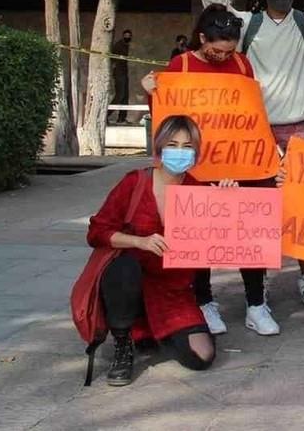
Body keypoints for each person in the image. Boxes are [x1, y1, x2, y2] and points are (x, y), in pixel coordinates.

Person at [204, 0, 304, 310]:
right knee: (256, 213)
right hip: (256, 134)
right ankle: (258, 296)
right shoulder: (247, 24)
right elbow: (216, 8)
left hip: (303, 129)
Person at [141, 5, 280, 337]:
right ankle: (203, 302)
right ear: (201, 38)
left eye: (229, 50)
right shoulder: (181, 65)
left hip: (243, 163)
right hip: (200, 167)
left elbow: (252, 113)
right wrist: (149, 94)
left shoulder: (243, 64)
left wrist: (266, 146)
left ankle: (256, 304)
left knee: (251, 231)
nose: (223, 56)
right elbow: (167, 118)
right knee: (199, 234)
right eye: (217, 50)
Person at [86, 115, 215, 385]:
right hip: (129, 280)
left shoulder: (199, 190)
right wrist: (139, 241)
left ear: (197, 152)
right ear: (158, 147)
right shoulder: (134, 183)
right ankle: (123, 341)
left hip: (173, 290)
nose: (180, 152)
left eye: (187, 146)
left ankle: (155, 331)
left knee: (201, 356)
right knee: (124, 268)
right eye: (173, 144)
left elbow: (222, 237)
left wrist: (231, 197)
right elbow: (97, 232)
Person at [110, 29, 133, 124]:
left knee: (125, 96)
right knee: (120, 95)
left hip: (124, 73)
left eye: (129, 36)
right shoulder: (118, 45)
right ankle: (106, 114)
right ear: (123, 36)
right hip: (119, 74)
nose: (127, 37)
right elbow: (112, 58)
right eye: (126, 36)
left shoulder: (126, 46)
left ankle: (121, 118)